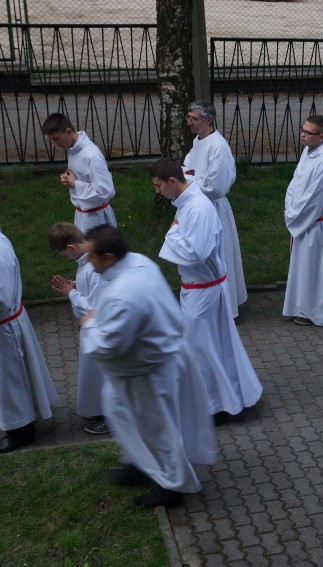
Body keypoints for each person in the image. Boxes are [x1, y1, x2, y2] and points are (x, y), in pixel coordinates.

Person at [79, 225, 216, 507]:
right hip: (146, 365)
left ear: (108, 257)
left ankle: (172, 486)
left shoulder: (123, 294)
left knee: (156, 430)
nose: (87, 263)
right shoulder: (139, 261)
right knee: (123, 416)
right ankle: (141, 464)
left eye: (91, 257)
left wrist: (89, 323)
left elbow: (108, 345)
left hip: (146, 373)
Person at [152, 158, 263, 422]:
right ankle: (228, 398)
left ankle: (214, 406)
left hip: (204, 292)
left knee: (202, 351)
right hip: (198, 288)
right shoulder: (187, 204)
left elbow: (196, 252)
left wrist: (171, 235)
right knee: (213, 348)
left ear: (172, 181)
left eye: (158, 186)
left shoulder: (198, 208)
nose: (157, 192)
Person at [184, 100, 248, 318]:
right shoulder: (198, 141)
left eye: (194, 118)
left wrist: (186, 182)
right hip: (197, 206)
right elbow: (189, 167)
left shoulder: (218, 146)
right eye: (188, 117)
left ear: (208, 121)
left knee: (218, 256)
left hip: (213, 209)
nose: (189, 122)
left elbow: (215, 186)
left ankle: (225, 308)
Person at [283, 114, 323, 327]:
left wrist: (294, 216)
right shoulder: (309, 151)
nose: (302, 134)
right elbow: (296, 181)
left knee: (314, 270)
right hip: (302, 218)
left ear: (321, 137)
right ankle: (299, 305)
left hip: (314, 223)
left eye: (308, 132)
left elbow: (314, 198)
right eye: (302, 129)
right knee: (302, 268)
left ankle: (314, 311)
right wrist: (290, 206)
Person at [0, 228, 57, 453]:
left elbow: (1, 298)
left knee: (10, 380)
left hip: (5, 326)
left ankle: (20, 430)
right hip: (8, 323)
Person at [47, 221, 107, 435]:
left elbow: (94, 307)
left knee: (102, 374)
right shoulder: (87, 263)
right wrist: (76, 287)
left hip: (100, 330)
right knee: (93, 373)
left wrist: (71, 293)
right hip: (93, 330)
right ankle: (97, 409)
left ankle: (109, 416)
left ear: (71, 248)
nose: (67, 259)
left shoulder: (93, 266)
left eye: (65, 255)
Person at [41, 113, 117, 233]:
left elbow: (106, 191)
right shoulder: (74, 149)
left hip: (98, 220)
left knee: (97, 251)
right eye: (51, 139)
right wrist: (69, 179)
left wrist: (75, 184)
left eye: (56, 138)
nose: (54, 144)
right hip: (83, 215)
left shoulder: (92, 155)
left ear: (68, 131)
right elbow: (82, 177)